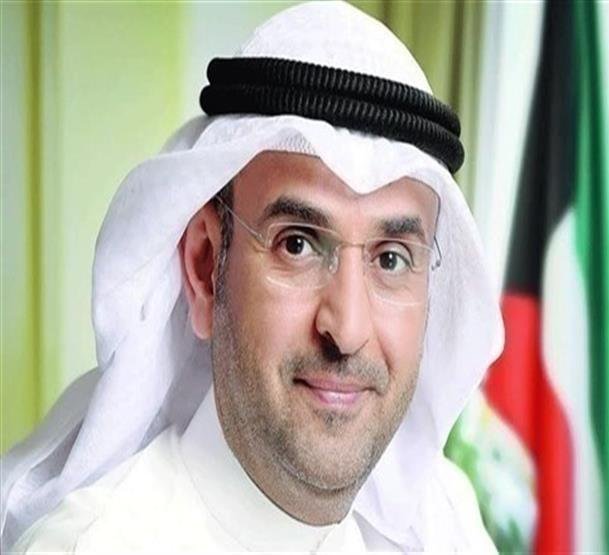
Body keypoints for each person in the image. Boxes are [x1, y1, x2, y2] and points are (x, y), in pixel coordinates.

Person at [1, 1, 503, 552]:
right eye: (298, 244)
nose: (348, 329)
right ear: (204, 268)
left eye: (391, 259)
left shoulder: (446, 529)